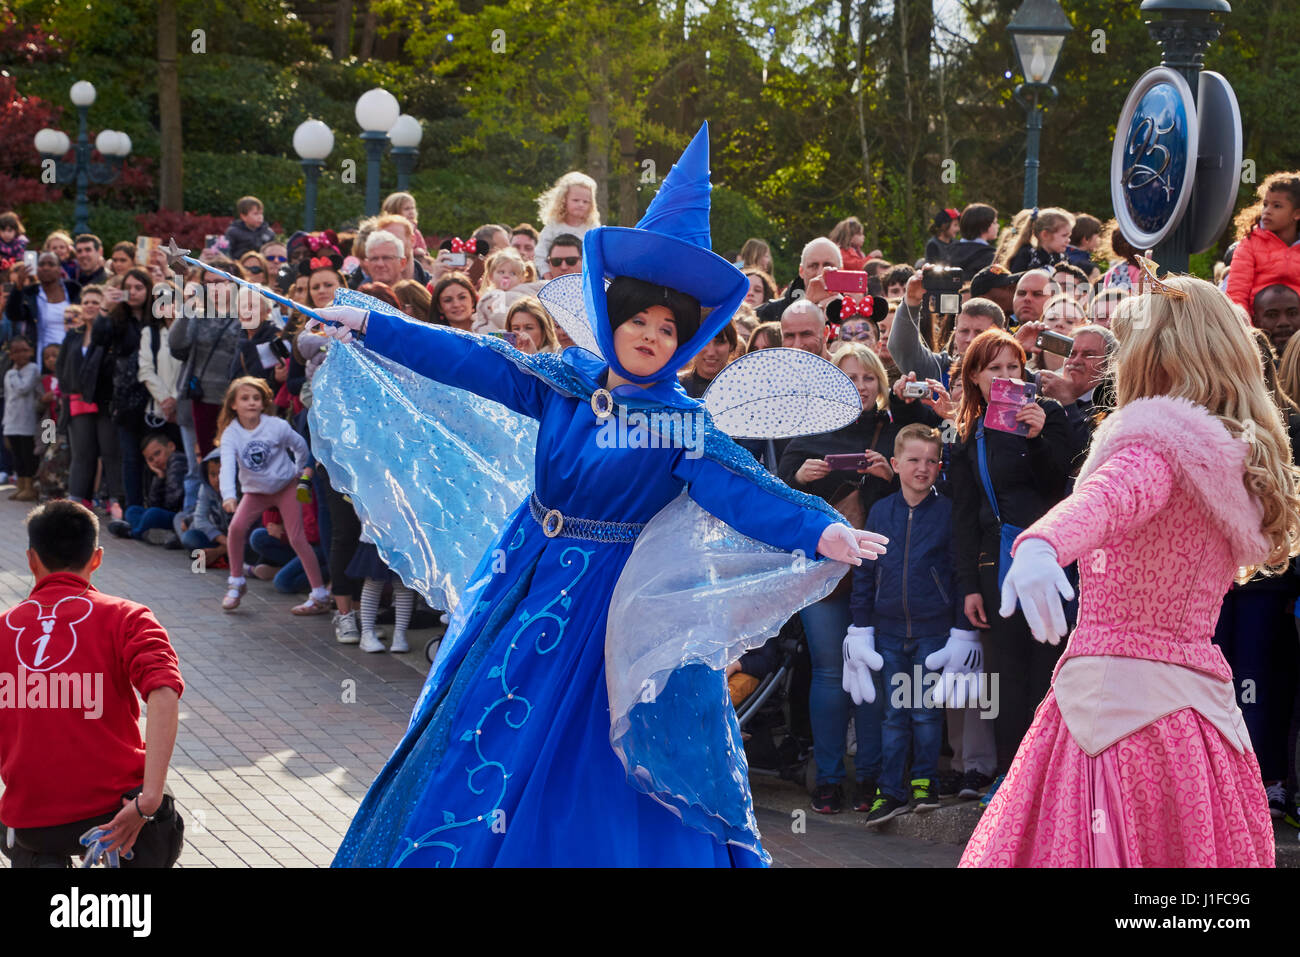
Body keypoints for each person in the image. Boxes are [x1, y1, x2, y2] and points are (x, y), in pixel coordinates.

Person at [313, 124, 885, 866]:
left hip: (622, 614)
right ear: (611, 322)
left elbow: (743, 485)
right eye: (637, 319)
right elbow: (464, 357)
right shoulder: (561, 384)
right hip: (526, 590)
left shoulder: (682, 424)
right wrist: (372, 325)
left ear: (683, 340)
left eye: (667, 325)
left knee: (606, 760)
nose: (650, 333)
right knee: (486, 736)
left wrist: (820, 530)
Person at [962, 273, 1300, 867]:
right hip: (1198, 722)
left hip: (1115, 716)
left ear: (1154, 352)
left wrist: (1041, 544)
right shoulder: (1230, 461)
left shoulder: (1152, 445)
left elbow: (1106, 500)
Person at [0, 501, 184, 868]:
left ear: (32, 560)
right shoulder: (128, 617)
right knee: (162, 811)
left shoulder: (4, 628)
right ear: (97, 558)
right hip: (117, 811)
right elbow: (163, 692)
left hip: (33, 819)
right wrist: (147, 801)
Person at [778, 343, 906, 813]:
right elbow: (777, 487)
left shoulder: (891, 431)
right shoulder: (811, 429)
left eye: (868, 377)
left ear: (880, 383)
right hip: (823, 572)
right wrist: (799, 476)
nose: (859, 386)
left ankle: (872, 777)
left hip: (879, 571)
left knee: (872, 669)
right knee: (831, 673)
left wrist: (891, 477)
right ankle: (829, 778)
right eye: (849, 377)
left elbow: (926, 485)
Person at [948, 328, 1071, 806]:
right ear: (976, 378)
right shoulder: (968, 436)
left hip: (1051, 564)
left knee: (1049, 672)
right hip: (995, 566)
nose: (1005, 377)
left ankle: (1054, 781)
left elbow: (1058, 485)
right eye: (994, 369)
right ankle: (1011, 780)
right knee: (1006, 680)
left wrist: (1039, 437)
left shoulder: (1053, 416)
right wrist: (968, 587)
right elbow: (963, 517)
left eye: (1013, 368)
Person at [846, 422, 979, 823]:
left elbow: (958, 573)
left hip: (932, 632)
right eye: (913, 460)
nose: (922, 468)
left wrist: (960, 627)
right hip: (887, 632)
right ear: (895, 464)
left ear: (940, 466)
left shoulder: (947, 513)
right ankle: (891, 791)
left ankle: (924, 782)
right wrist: (860, 626)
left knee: (923, 711)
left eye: (931, 461)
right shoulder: (881, 512)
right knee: (892, 715)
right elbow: (865, 572)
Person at [215, 376, 329, 614]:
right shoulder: (231, 434)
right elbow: (227, 465)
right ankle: (236, 582)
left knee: (298, 538)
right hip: (255, 492)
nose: (251, 403)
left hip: (285, 487)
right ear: (233, 404)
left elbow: (300, 446)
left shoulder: (276, 426)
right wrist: (228, 495)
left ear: (263, 402)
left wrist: (299, 472)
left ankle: (319, 594)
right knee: (236, 528)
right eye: (245, 398)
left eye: (256, 398)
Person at [890, 269, 1006, 385]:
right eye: (964, 331)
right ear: (955, 334)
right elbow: (903, 349)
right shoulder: (938, 371)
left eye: (980, 332)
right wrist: (911, 300)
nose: (970, 339)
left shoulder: (1016, 374)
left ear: (1001, 335)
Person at [1226, 171, 1300, 318]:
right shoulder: (1250, 243)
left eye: (1277, 206)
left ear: (1297, 214)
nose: (1267, 211)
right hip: (1258, 329)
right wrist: (1247, 330)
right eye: (1265, 204)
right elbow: (1237, 292)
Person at [106, 433, 187, 544]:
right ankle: (153, 533)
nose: (156, 461)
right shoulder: (162, 470)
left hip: (180, 516)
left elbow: (173, 502)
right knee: (132, 510)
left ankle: (133, 533)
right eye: (151, 459)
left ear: (171, 446)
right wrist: (160, 477)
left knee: (152, 514)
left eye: (158, 453)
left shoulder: (177, 461)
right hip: (167, 514)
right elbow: (153, 504)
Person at [6, 251, 81, 360]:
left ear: (59, 269)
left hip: (70, 353)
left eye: (51, 264)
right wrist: (18, 287)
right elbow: (14, 315)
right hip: (42, 356)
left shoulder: (73, 289)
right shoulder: (31, 293)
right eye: (41, 264)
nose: (46, 268)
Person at [757, 237, 841, 322]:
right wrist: (807, 305)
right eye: (813, 266)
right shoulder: (770, 314)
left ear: (841, 270)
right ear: (801, 271)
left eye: (828, 266)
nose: (820, 273)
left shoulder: (851, 309)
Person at [535, 171, 600, 278]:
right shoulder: (553, 226)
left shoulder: (592, 227)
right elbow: (540, 254)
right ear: (564, 200)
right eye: (576, 200)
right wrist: (546, 274)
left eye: (585, 202)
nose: (581, 204)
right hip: (555, 279)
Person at [4, 336, 40, 501]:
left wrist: (12, 373)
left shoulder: (32, 369)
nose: (21, 355)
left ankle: (30, 486)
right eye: (16, 352)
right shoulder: (10, 372)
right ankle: (21, 485)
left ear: (32, 352)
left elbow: (23, 388)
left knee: (28, 454)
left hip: (27, 420)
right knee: (16, 454)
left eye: (25, 350)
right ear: (10, 355)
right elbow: (9, 398)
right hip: (11, 420)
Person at [472, 248, 541, 332]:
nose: (506, 276)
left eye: (512, 273)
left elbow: (506, 321)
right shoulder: (492, 296)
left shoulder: (526, 294)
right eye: (501, 272)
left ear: (522, 278)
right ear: (491, 276)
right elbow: (490, 319)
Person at [1001, 208, 1073, 273]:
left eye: (1069, 236)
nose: (1068, 240)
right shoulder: (1027, 255)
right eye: (1064, 235)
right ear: (1045, 235)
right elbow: (1014, 283)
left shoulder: (1062, 258)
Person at [678, 322, 737, 397]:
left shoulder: (745, 387)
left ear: (731, 345)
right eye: (703, 342)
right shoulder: (675, 389)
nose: (711, 352)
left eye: (719, 342)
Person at [947, 204, 999, 281]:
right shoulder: (990, 256)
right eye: (995, 222)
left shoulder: (949, 250)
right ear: (984, 225)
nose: (998, 226)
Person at [1251, 283, 1300, 356]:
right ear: (1256, 321)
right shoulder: (1244, 364)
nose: (1283, 322)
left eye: (1292, 313)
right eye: (1272, 315)